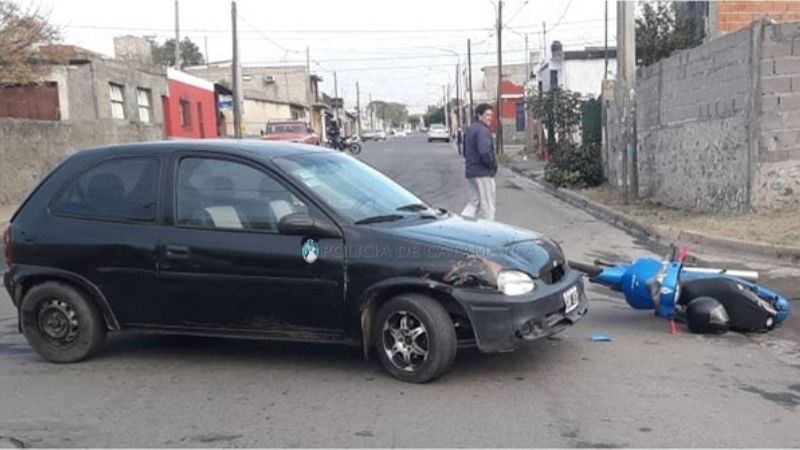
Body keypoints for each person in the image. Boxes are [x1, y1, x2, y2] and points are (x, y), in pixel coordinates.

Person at [461, 104, 497, 221]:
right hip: (483, 172)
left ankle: (463, 225)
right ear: (479, 116)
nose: (490, 117)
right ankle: (488, 232)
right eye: (487, 115)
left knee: (474, 202)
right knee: (487, 206)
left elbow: (464, 151)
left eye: (491, 115)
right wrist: (493, 166)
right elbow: (485, 152)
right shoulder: (482, 130)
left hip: (471, 171)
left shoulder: (471, 129)